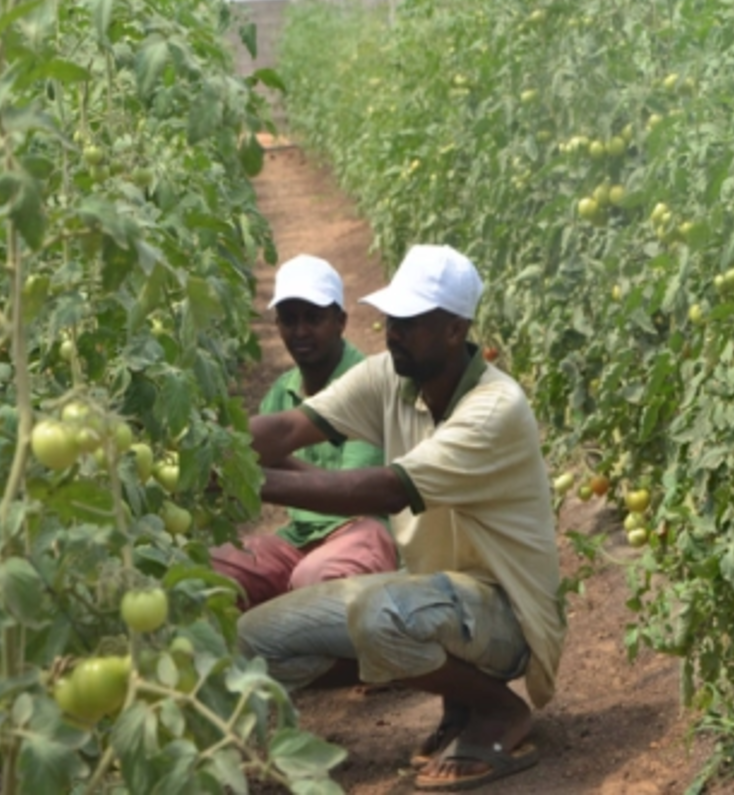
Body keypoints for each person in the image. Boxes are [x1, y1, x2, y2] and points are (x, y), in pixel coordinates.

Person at [236, 244, 566, 791]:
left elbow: (385, 489)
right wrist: (203, 450)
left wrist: (248, 481)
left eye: (411, 322)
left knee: (375, 612)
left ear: (456, 329)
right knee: (255, 640)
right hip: (430, 596)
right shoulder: (392, 377)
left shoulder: (494, 409)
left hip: (507, 615)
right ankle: (458, 700)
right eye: (392, 318)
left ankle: (498, 711)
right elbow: (289, 428)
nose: (392, 332)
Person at [211, 254, 399, 608]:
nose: (300, 332)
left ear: (340, 321)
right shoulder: (281, 393)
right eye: (289, 319)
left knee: (317, 579)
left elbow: (354, 496)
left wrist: (258, 470)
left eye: (314, 319)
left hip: (363, 531)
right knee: (211, 574)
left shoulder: (366, 384)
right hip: (300, 537)